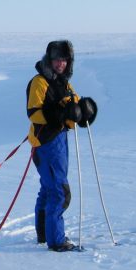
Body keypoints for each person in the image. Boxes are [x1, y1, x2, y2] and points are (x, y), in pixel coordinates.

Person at [26, 40, 97, 252]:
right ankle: (56, 240)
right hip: (46, 143)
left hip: (59, 141)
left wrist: (82, 110)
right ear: (50, 59)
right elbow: (34, 113)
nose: (61, 64)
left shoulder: (63, 82)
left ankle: (43, 233)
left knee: (49, 189)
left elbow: (72, 102)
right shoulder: (39, 82)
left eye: (65, 60)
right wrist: (59, 115)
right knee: (59, 192)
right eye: (57, 59)